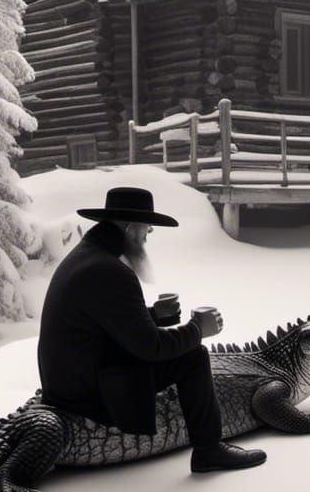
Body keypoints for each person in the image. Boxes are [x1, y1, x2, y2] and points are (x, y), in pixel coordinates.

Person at [37, 186, 266, 473]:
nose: (149, 235)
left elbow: (104, 322)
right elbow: (151, 347)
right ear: (131, 227)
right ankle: (209, 451)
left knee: (185, 351)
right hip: (83, 393)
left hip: (70, 379)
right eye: (147, 228)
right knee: (193, 357)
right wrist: (198, 328)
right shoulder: (110, 271)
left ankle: (208, 449)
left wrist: (153, 315)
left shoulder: (88, 255)